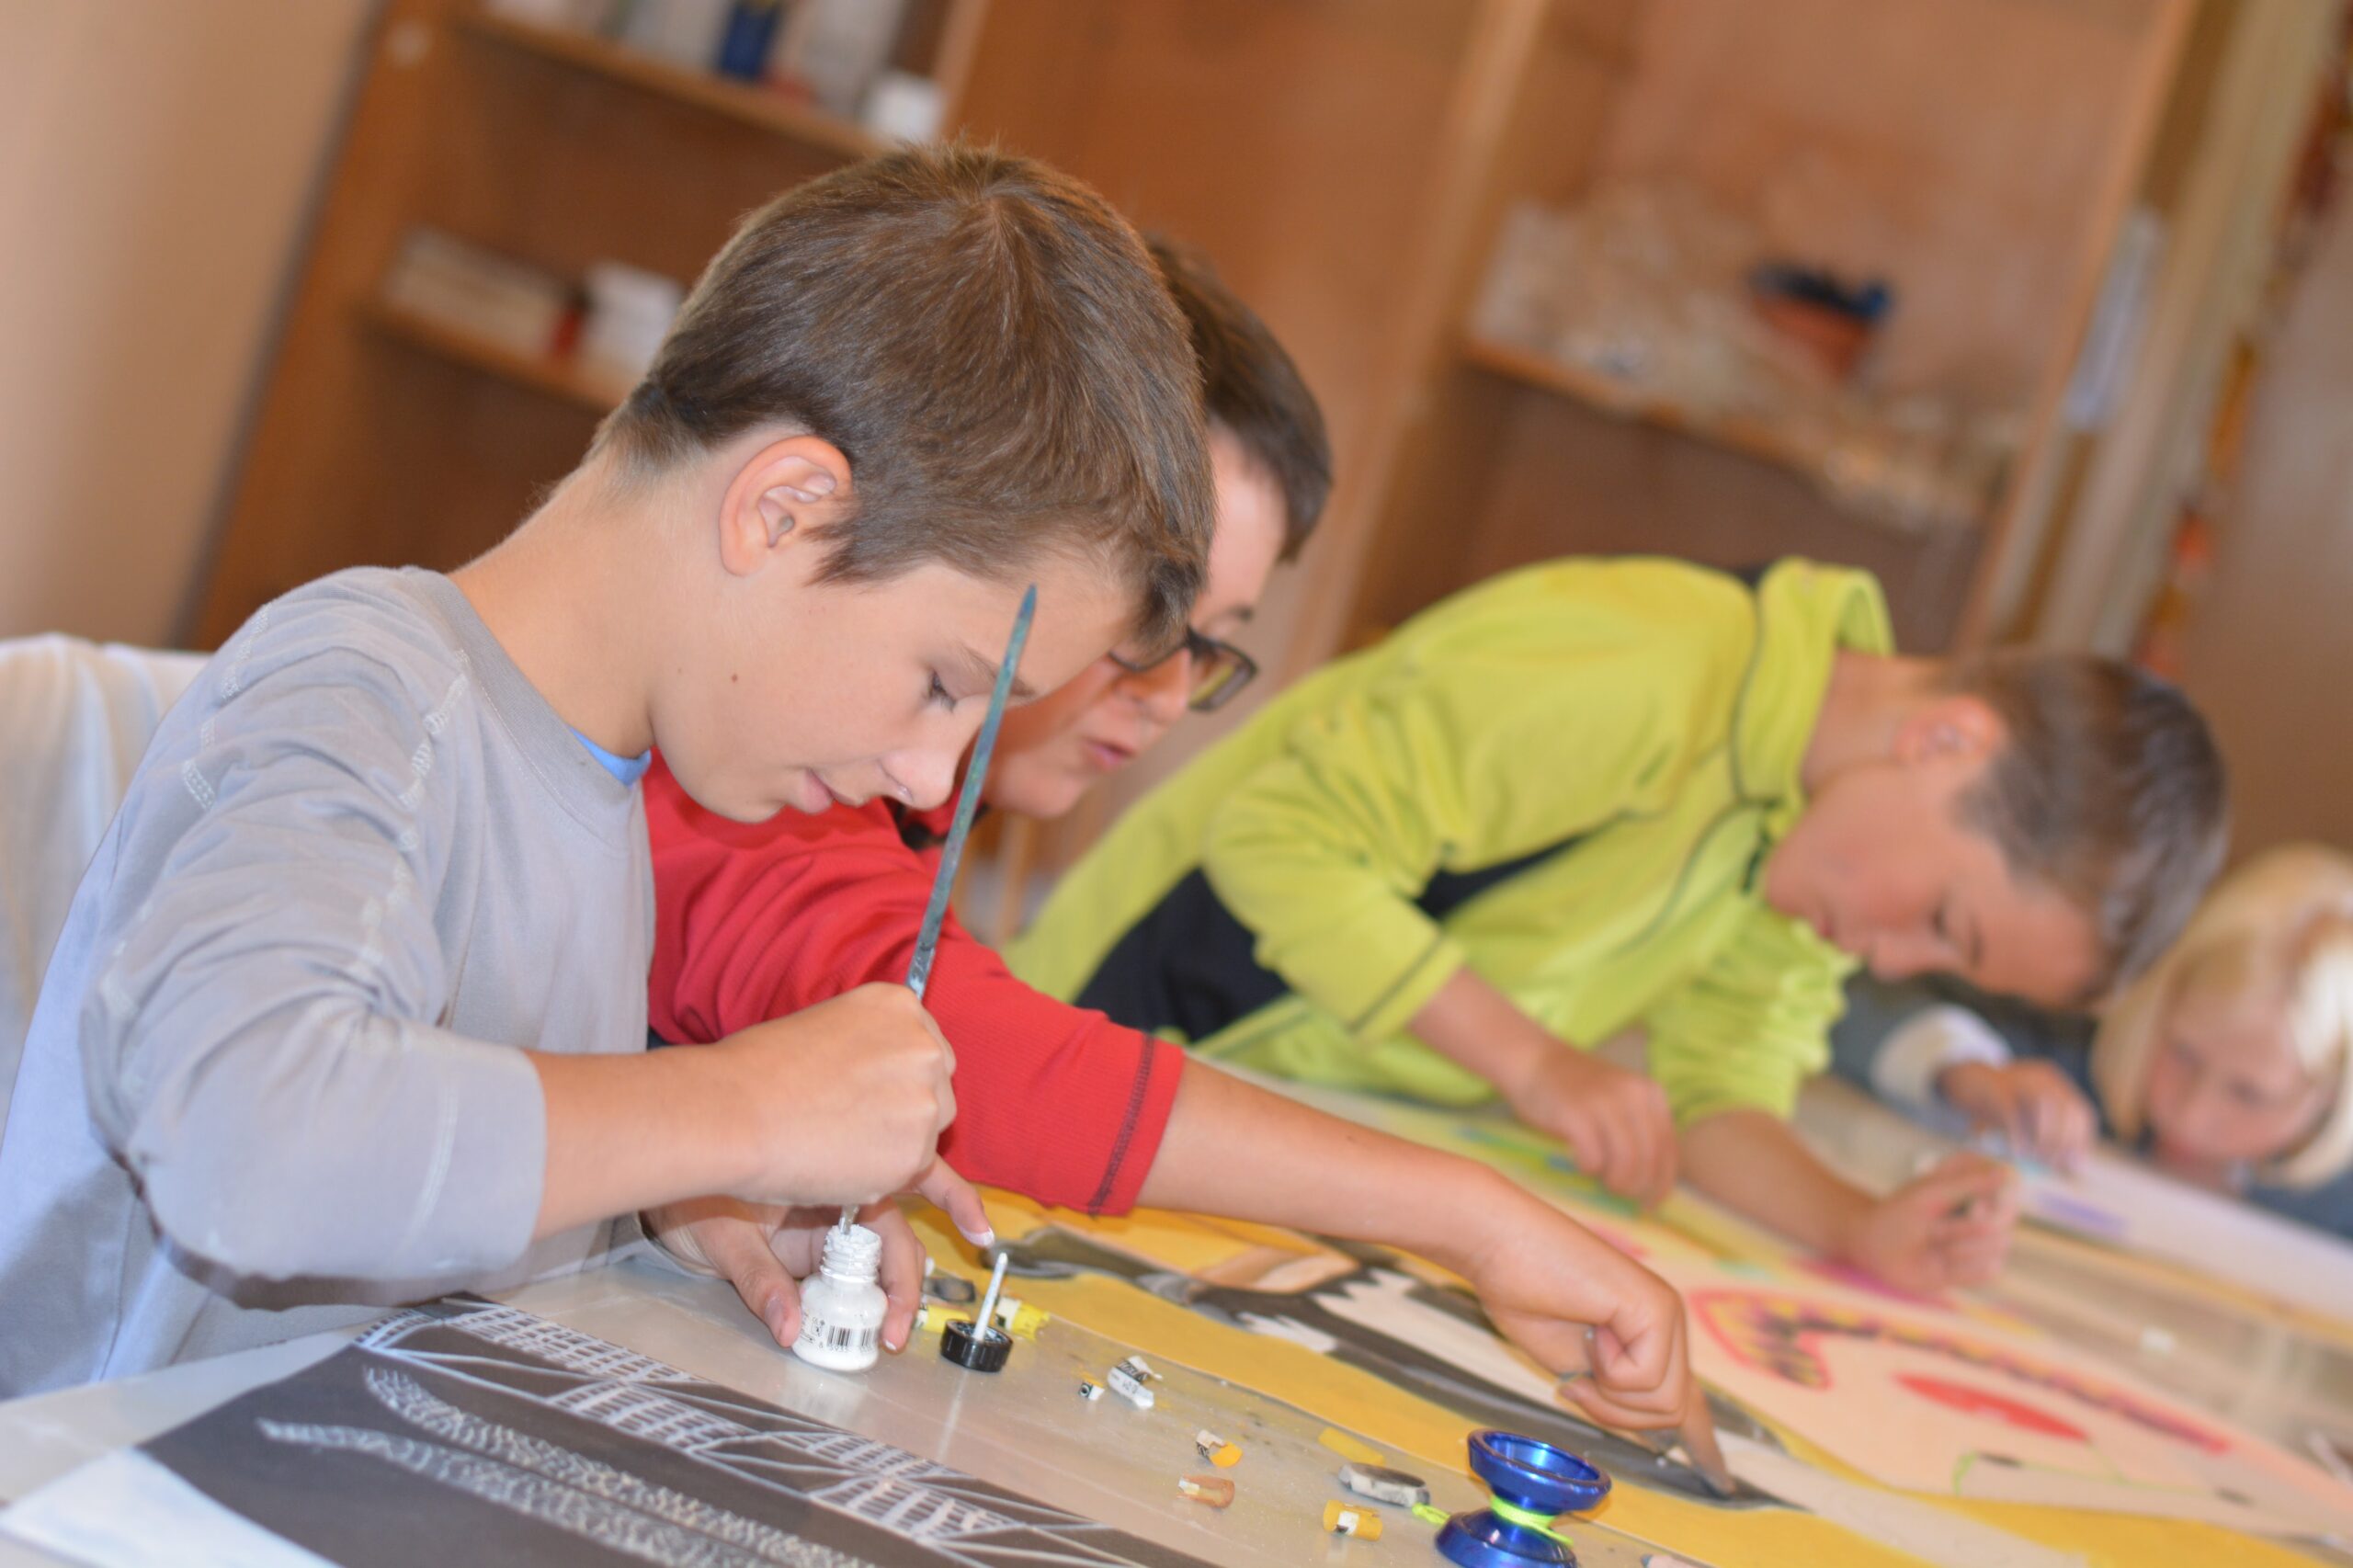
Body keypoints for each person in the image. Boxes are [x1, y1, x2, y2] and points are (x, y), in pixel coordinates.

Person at [0, 143, 1215, 1396]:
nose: (928, 780)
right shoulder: (369, 691)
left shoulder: (610, 780)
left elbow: (444, 1144)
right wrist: (741, 1106)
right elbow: (249, 1142)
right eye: (947, 684)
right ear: (784, 509)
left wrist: (679, 1191)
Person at [642, 249, 1714, 1445]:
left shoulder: (904, 792)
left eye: (1210, 642)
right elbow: (946, 1049)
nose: (1163, 692)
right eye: (1147, 618)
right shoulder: (773, 757)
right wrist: (1469, 1216)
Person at [1008, 556, 2228, 1294]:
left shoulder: (1819, 826)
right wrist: (1536, 1062)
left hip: (1290, 1133)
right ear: (1946, 738)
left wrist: (1860, 1223)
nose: (1892, 959)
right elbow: (1281, 842)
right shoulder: (1649, 670)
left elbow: (1721, 1091)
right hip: (1112, 1034)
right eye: (1944, 921)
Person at [1832, 845, 2353, 1238]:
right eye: (2183, 1054)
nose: (2191, 1114)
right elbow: (1853, 996)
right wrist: (1964, 1069)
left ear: (2330, 1097)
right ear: (2157, 1004)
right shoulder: (2073, 1044)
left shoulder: (2338, 1209)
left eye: (2250, 1093)